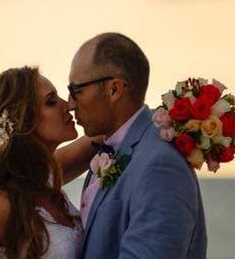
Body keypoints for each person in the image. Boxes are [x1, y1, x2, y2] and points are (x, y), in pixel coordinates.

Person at [0, 66, 99, 259]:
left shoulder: (45, 178)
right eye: (51, 102)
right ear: (24, 121)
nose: (68, 105)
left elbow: (112, 127)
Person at [69, 32, 207, 258]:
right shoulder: (114, 147)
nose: (70, 105)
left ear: (114, 90)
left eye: (77, 90)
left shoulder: (160, 165)